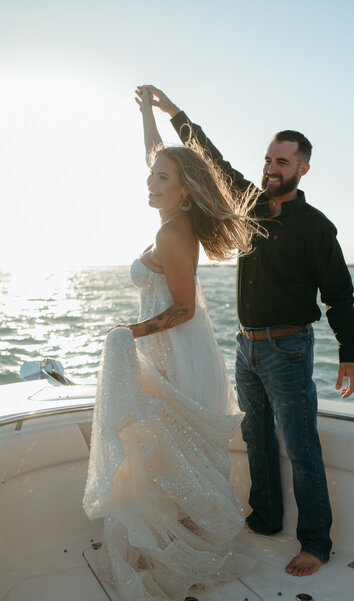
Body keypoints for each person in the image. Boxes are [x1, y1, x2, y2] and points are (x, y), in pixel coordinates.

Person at [141, 85, 354, 577]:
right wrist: (173, 111)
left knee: (301, 448)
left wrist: (349, 352)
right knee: (255, 437)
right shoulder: (249, 203)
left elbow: (339, 294)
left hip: (289, 346)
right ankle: (264, 519)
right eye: (268, 159)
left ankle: (315, 544)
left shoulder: (316, 227)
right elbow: (210, 158)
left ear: (302, 168)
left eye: (282, 162)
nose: (271, 168)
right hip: (247, 346)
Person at [83, 87, 259, 601]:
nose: (150, 180)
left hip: (179, 352)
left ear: (183, 190)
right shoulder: (171, 217)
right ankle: (182, 550)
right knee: (171, 453)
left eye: (162, 178)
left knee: (182, 454)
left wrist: (127, 333)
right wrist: (146, 112)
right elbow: (156, 156)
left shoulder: (172, 234)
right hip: (171, 350)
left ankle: (192, 559)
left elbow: (182, 307)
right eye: (152, 174)